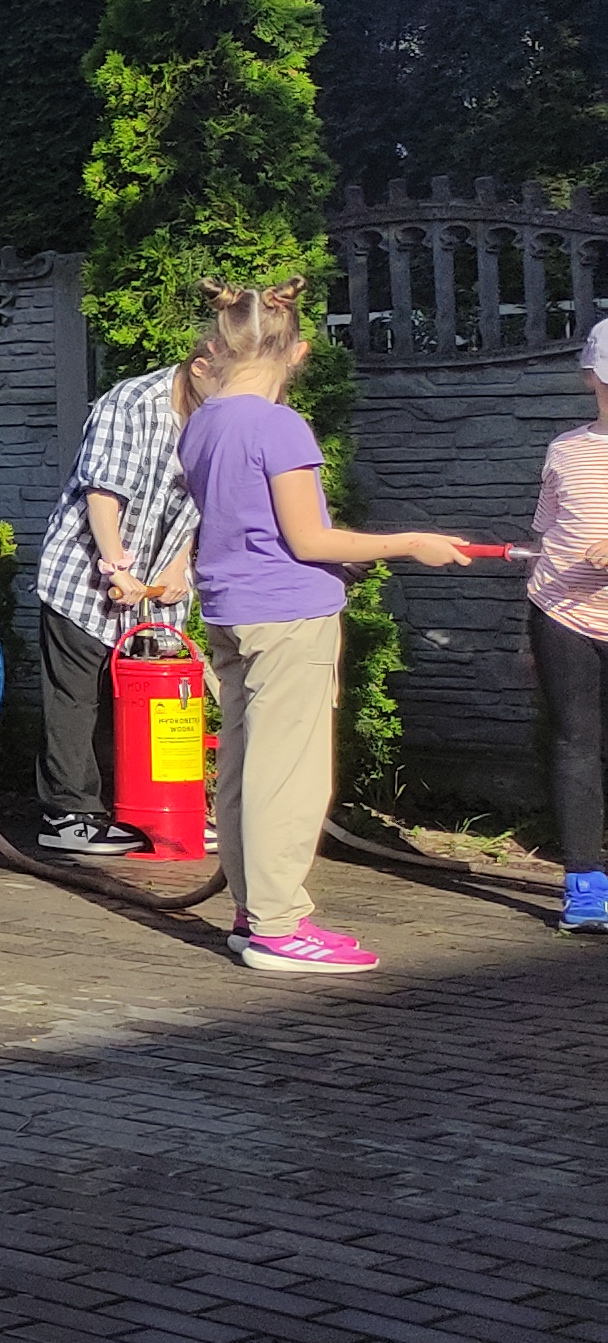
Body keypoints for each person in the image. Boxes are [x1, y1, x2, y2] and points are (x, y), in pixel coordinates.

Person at [181, 282, 468, 975]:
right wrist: (412, 543)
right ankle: (278, 927)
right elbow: (309, 540)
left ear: (220, 344)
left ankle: (256, 914)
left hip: (232, 612)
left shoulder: (202, 421)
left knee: (247, 768)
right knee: (289, 775)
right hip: (287, 615)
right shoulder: (280, 425)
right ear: (299, 351)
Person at [26, 358, 208, 858]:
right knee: (76, 699)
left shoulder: (217, 415)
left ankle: (158, 810)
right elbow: (102, 493)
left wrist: (179, 566)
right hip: (86, 577)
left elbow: (197, 504)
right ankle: (69, 814)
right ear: (201, 365)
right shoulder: (131, 403)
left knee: (151, 704)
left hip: (155, 583)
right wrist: (116, 567)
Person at [527, 323, 608, 935]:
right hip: (561, 614)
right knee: (576, 744)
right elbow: (547, 529)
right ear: (591, 378)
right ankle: (584, 884)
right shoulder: (565, 450)